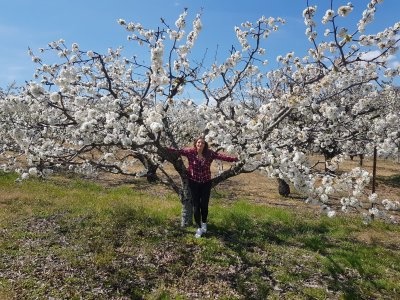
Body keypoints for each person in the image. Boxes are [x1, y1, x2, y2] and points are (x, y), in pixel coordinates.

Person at [169, 137, 238, 238]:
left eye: (202, 143)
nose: (200, 144)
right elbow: (178, 151)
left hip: (206, 182)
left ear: (205, 145)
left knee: (204, 205)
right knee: (196, 206)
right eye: (198, 142)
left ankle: (204, 223)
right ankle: (199, 227)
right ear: (195, 144)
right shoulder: (190, 152)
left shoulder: (209, 153)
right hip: (194, 183)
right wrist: (163, 148)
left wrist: (235, 159)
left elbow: (221, 156)